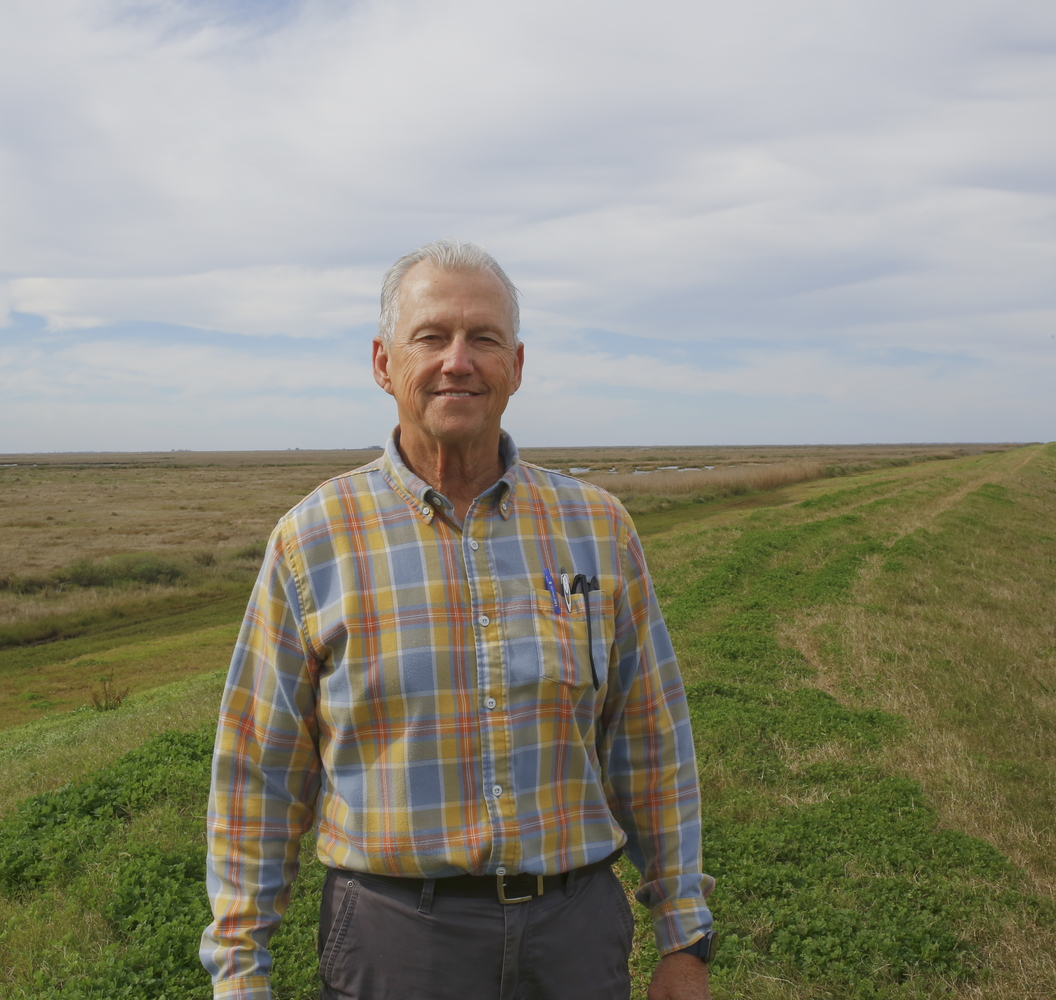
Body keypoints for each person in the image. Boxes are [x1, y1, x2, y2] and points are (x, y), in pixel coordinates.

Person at [201, 239, 714, 1000]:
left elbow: (650, 741)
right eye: (432, 337)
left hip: (573, 937)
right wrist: (240, 972)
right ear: (384, 363)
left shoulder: (598, 530)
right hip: (398, 944)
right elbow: (259, 772)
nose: (458, 361)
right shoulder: (313, 541)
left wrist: (683, 934)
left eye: (484, 339)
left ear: (516, 365)